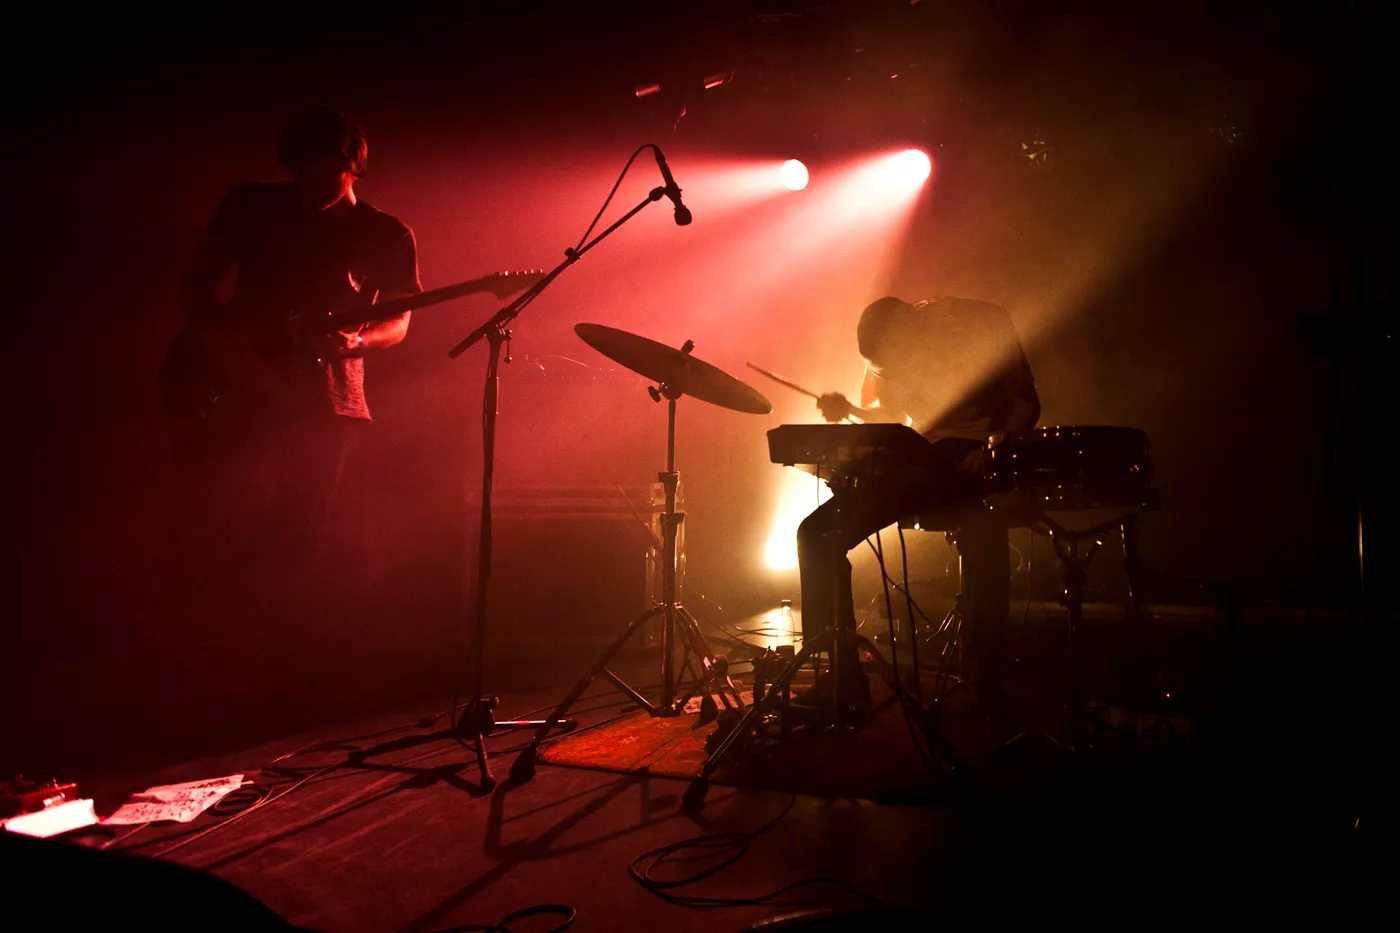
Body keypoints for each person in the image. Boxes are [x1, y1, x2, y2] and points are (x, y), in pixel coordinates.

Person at [169, 108, 421, 565]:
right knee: (212, 519)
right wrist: (231, 354)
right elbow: (194, 286)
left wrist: (356, 344)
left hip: (323, 399)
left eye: (326, 169)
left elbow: (399, 320)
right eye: (301, 169)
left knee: (300, 531)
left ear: (353, 164)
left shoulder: (387, 234)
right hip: (233, 387)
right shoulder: (249, 205)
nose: (311, 181)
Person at [797, 295, 1041, 714]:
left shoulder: (979, 324)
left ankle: (990, 679)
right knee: (817, 534)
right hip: (916, 458)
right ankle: (840, 677)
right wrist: (849, 410)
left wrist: (993, 448)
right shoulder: (886, 352)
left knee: (983, 529)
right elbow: (894, 422)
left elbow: (1026, 404)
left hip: (970, 455)